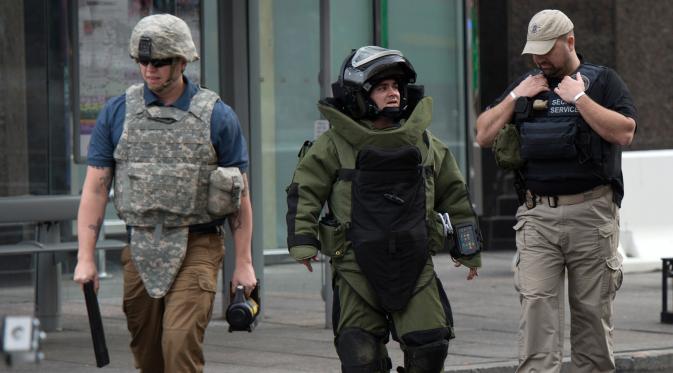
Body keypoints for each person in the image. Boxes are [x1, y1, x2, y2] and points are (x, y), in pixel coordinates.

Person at [73, 14, 256, 373]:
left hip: (198, 245)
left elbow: (240, 194)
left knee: (179, 344)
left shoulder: (217, 115)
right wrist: (85, 257)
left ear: (182, 61)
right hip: (139, 246)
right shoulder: (117, 112)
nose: (149, 70)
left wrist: (245, 262)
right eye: (143, 61)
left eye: (159, 62)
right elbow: (95, 188)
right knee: (148, 356)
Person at [286, 46, 482, 373]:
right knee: (360, 356)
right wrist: (303, 240)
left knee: (430, 347)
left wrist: (469, 248)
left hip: (415, 261)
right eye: (381, 88)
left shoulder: (425, 144)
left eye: (395, 86)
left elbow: (456, 197)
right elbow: (305, 190)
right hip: (354, 266)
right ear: (359, 95)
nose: (392, 94)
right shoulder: (334, 145)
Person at [475, 9, 637, 373]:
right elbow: (482, 134)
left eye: (547, 49)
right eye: (533, 50)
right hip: (536, 217)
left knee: (592, 317)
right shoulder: (529, 83)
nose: (539, 58)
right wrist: (517, 94)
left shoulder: (603, 81)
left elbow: (625, 132)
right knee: (536, 314)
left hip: (591, 215)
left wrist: (579, 98)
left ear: (570, 41)